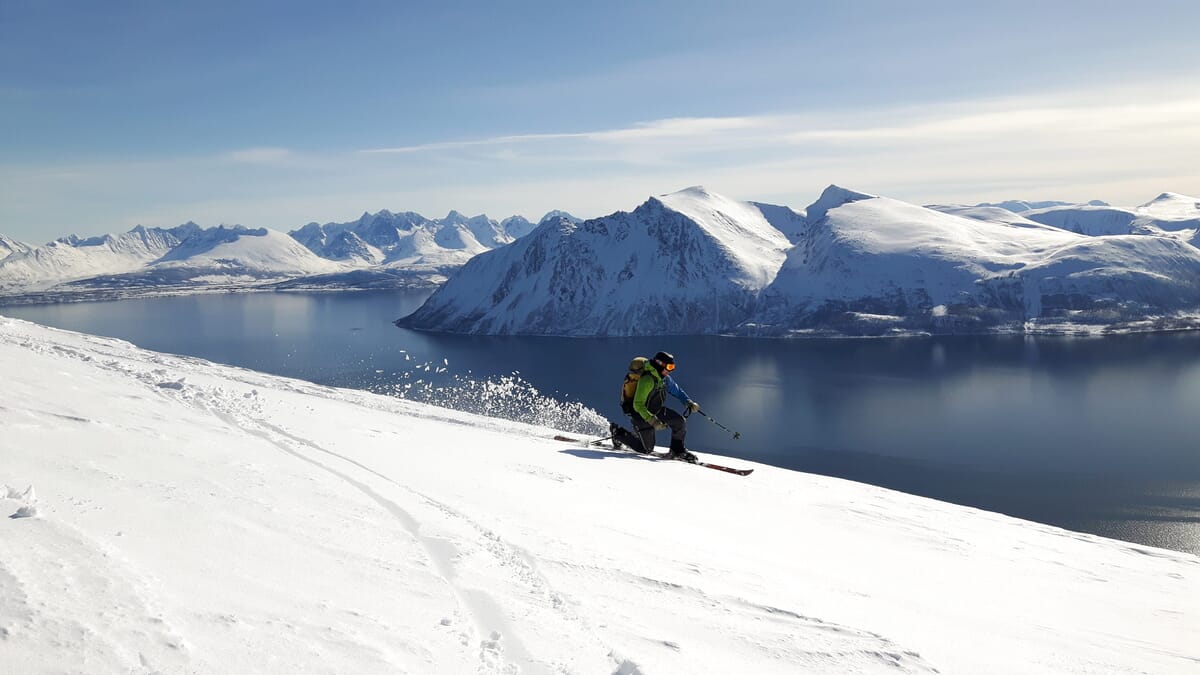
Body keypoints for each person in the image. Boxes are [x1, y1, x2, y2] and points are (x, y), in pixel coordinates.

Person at [609, 351, 701, 463]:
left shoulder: (664, 378)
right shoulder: (647, 380)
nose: (670, 370)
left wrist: (688, 402)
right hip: (641, 414)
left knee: (679, 422)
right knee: (646, 449)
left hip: (655, 410)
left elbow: (676, 390)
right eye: (669, 367)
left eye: (672, 367)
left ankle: (677, 450)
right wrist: (652, 421)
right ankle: (618, 433)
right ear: (659, 364)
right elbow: (638, 404)